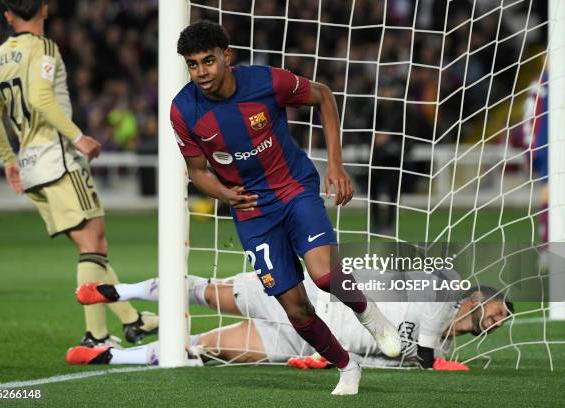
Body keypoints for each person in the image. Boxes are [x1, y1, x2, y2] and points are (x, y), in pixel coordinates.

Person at [167, 20, 401, 395]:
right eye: (193, 65)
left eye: (208, 61)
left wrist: (336, 166)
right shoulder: (183, 110)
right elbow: (197, 172)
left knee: (325, 276)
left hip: (293, 189)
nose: (201, 72)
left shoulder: (265, 82)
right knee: (295, 309)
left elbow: (323, 96)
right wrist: (225, 196)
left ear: (227, 57)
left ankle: (368, 315)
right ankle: (347, 367)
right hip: (251, 212)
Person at [0, 0, 158, 347]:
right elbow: (42, 97)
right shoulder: (44, 48)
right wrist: (79, 137)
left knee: (91, 248)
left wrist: (8, 159)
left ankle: (133, 321)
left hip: (31, 166)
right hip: (57, 158)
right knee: (95, 243)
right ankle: (96, 335)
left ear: (7, 16)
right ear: (45, 10)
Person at [67, 272, 513, 371]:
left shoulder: (437, 350)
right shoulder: (432, 293)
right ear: (478, 297)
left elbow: (381, 362)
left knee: (207, 345)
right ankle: (119, 292)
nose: (498, 320)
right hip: (300, 295)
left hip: (307, 344)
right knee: (208, 293)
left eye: (503, 320)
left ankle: (109, 355)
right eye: (499, 309)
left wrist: (330, 363)